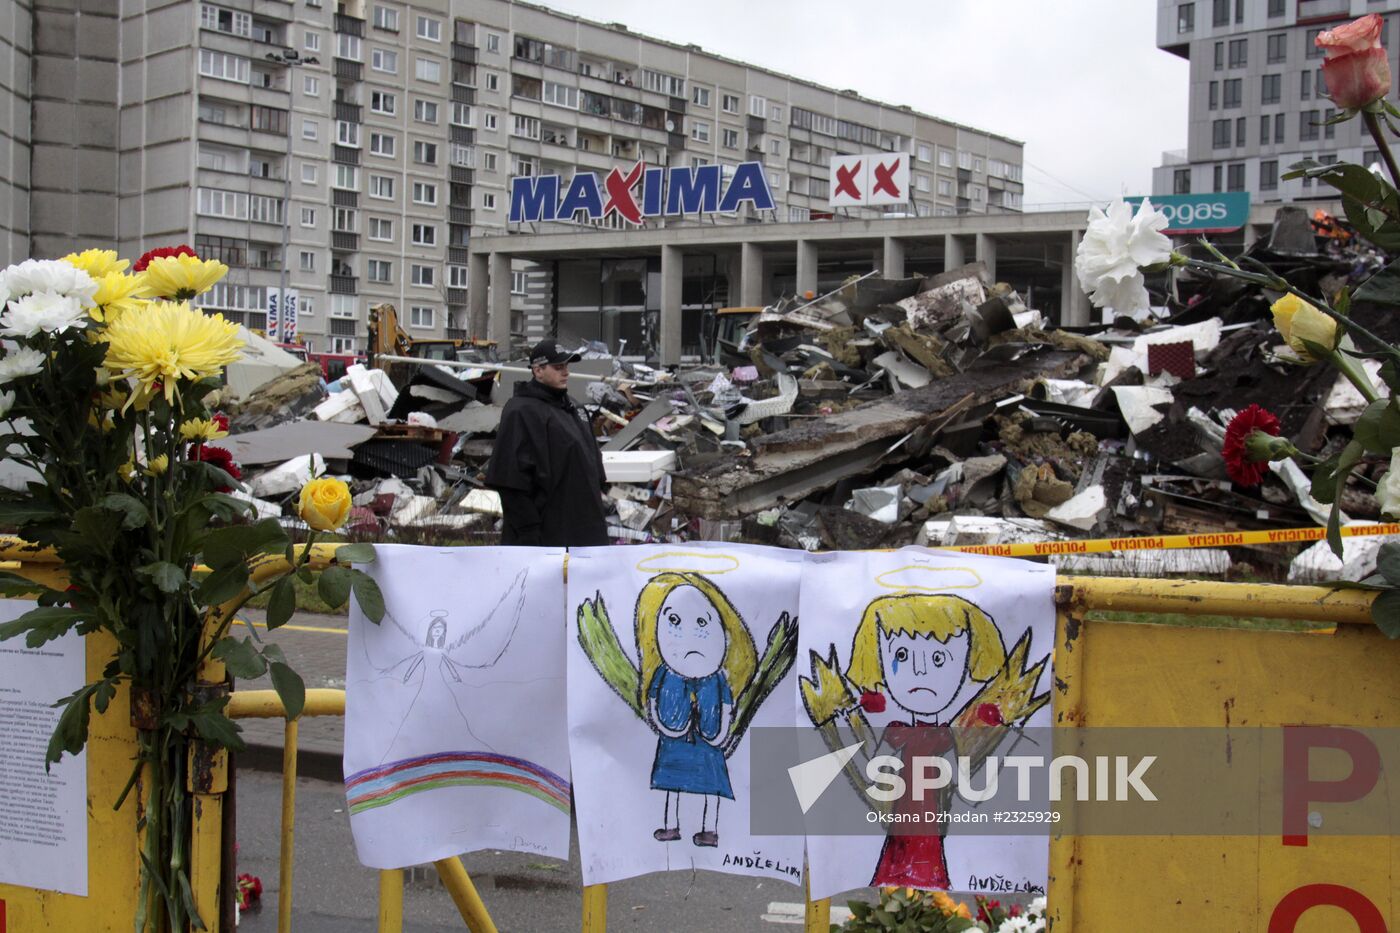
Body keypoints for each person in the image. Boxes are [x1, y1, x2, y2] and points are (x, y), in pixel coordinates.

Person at [485, 339, 609, 547]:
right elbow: (509, 480)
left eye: (567, 366)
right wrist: (529, 533)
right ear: (538, 371)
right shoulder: (522, 411)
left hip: (587, 534)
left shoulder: (575, 410)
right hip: (547, 538)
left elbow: (594, 471)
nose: (566, 372)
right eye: (558, 367)